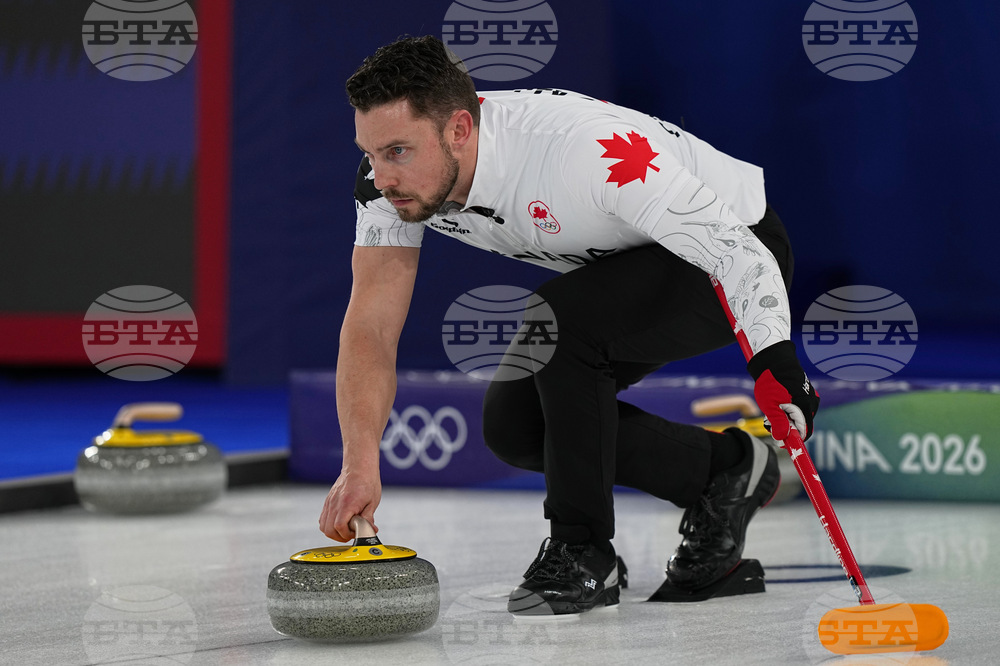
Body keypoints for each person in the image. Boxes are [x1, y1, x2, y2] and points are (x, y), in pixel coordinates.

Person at [319, 35, 819, 616]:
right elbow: (371, 326)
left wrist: (777, 363)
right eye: (371, 152)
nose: (379, 177)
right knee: (517, 426)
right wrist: (358, 463)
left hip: (728, 258)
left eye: (397, 152)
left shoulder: (584, 151)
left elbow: (736, 252)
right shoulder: (386, 186)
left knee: (556, 321)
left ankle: (584, 552)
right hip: (620, 266)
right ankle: (726, 472)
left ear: (459, 129)